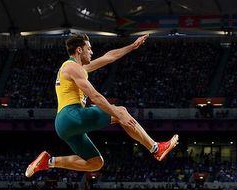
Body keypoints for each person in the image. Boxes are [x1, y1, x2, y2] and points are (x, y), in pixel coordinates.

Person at [25, 33, 178, 177]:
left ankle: (49, 162)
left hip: (66, 126)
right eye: (89, 48)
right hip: (70, 115)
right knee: (122, 111)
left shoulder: (79, 68)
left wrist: (132, 46)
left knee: (95, 163)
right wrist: (118, 115)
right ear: (79, 50)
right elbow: (95, 96)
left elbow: (109, 57)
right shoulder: (71, 67)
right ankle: (156, 148)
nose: (91, 51)